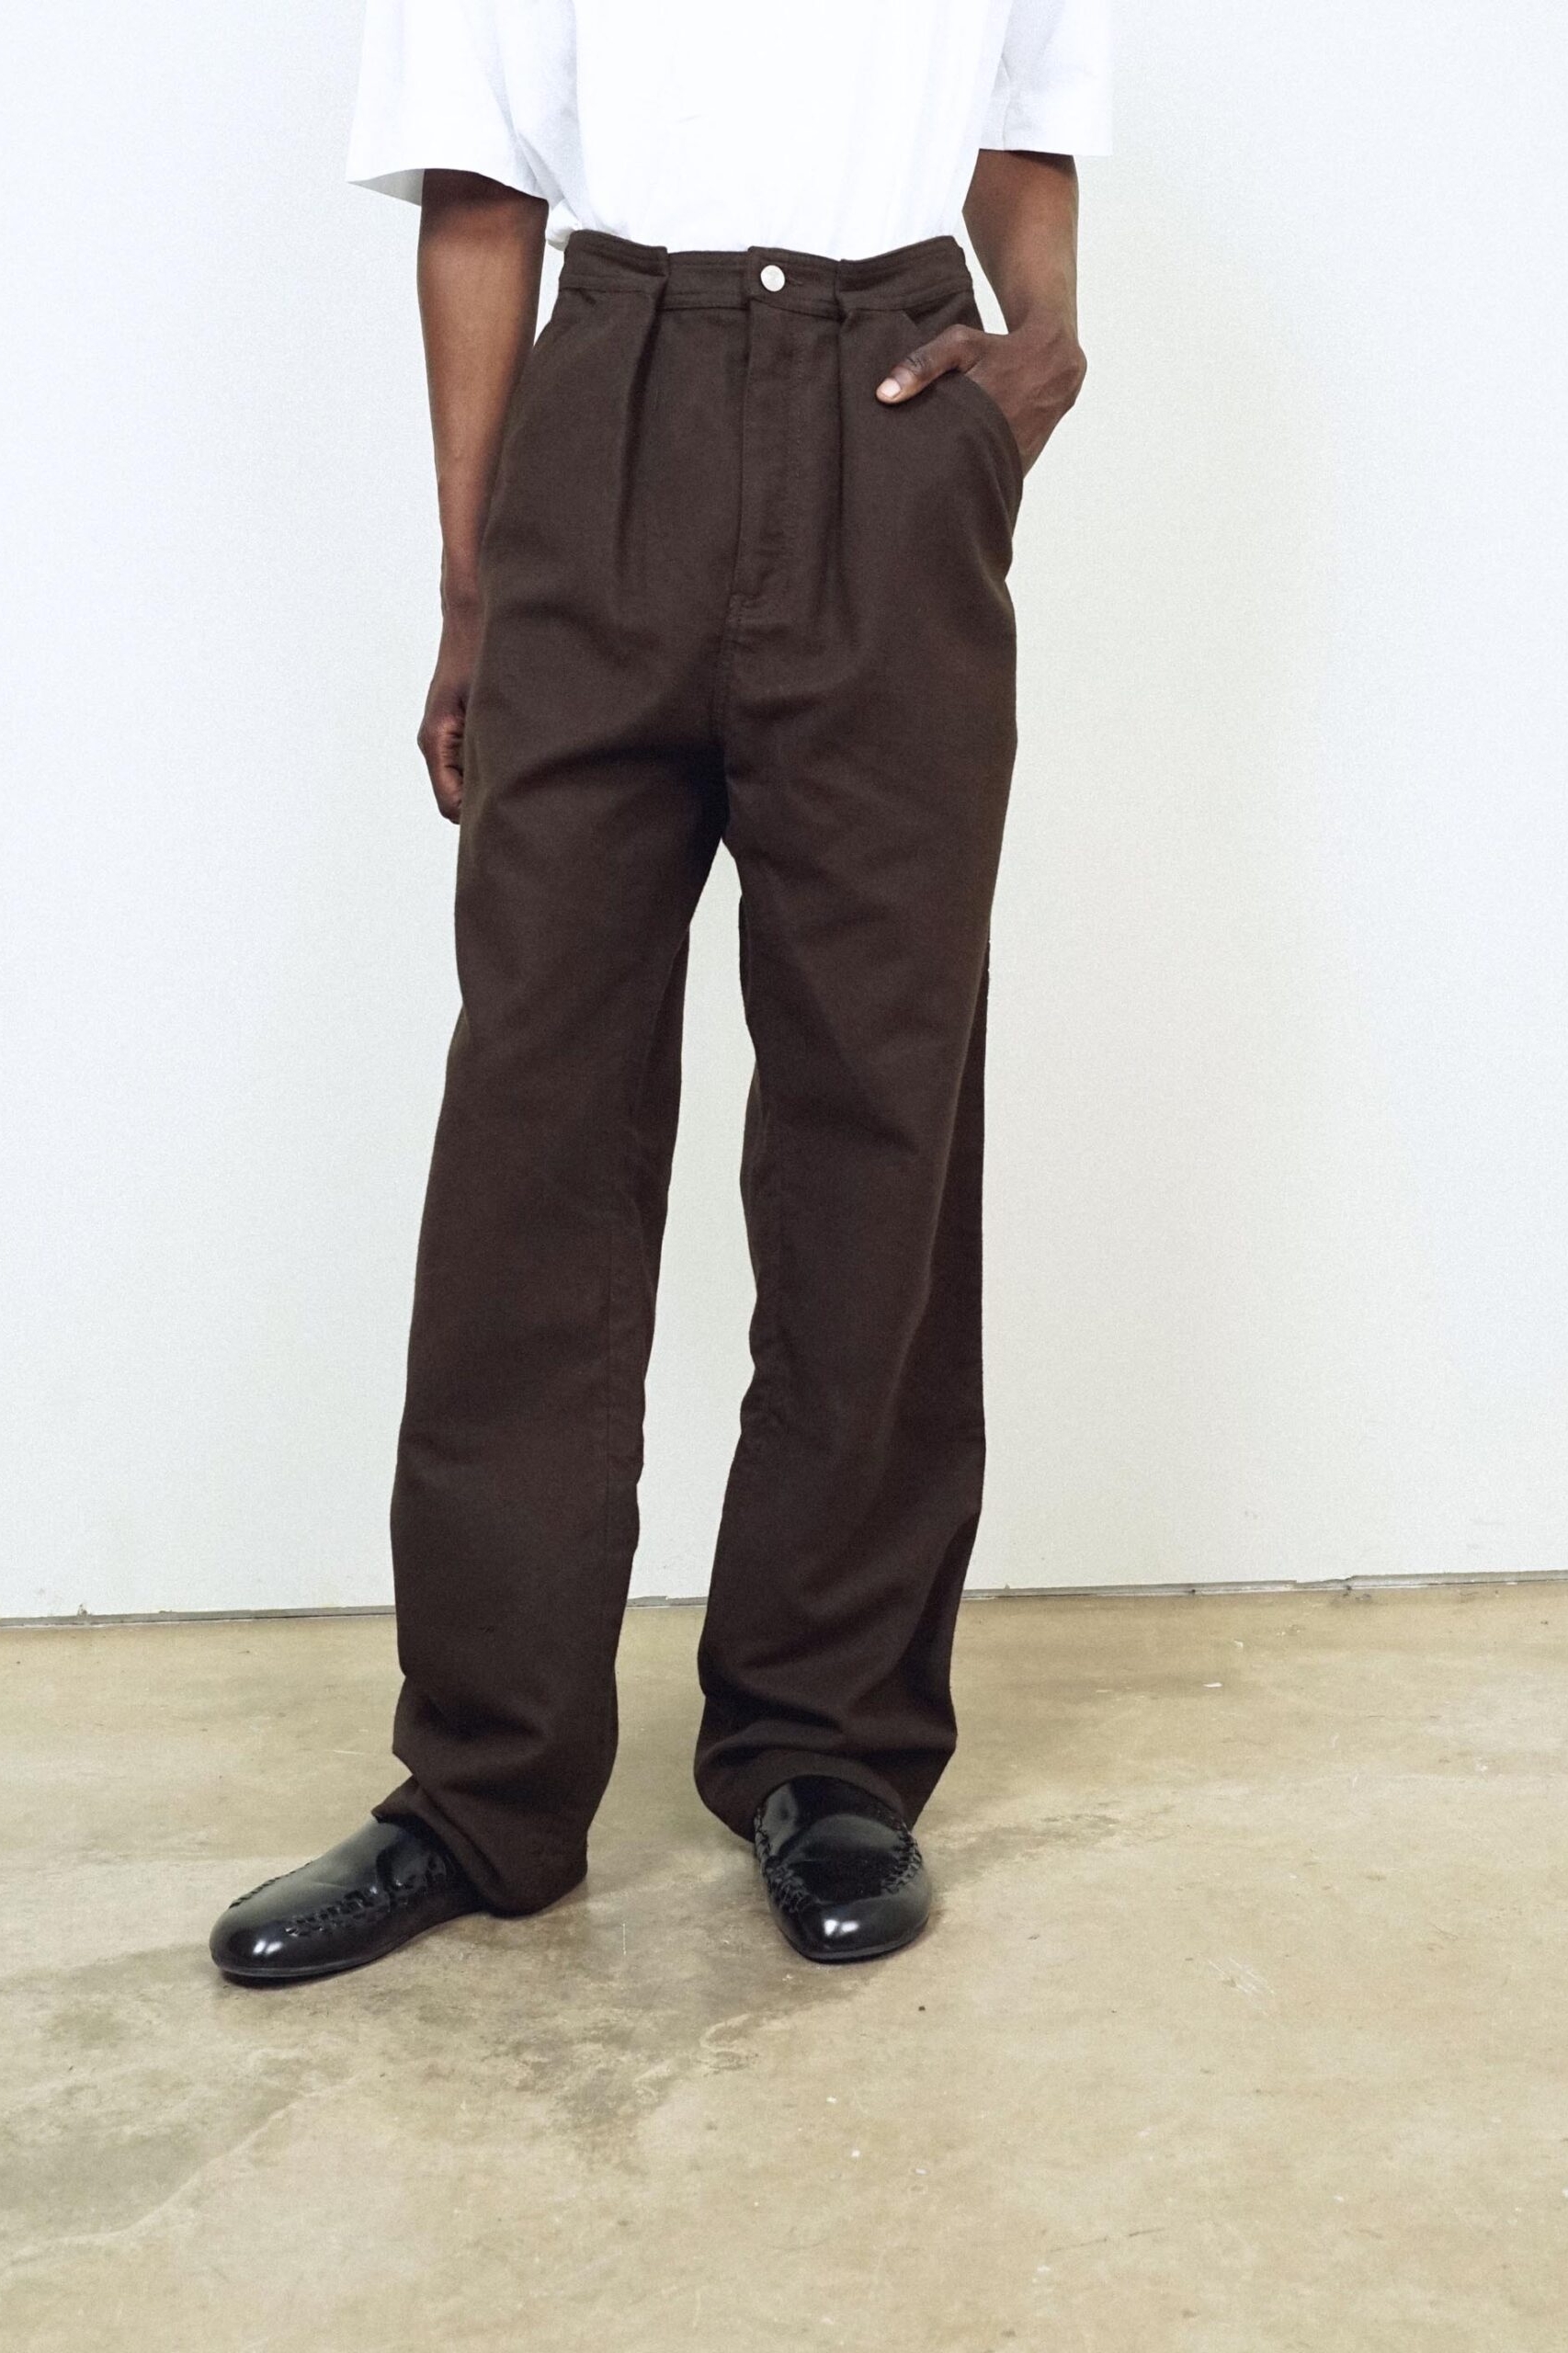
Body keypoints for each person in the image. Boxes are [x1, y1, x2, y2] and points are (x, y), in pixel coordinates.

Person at [210, 0, 1111, 1983]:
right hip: (606, 412)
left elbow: (1023, 119)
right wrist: (474, 587)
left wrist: (1036, 350)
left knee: (877, 1108)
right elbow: (480, 195)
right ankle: (483, 1782)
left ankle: (828, 1743)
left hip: (895, 407)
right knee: (532, 1121)